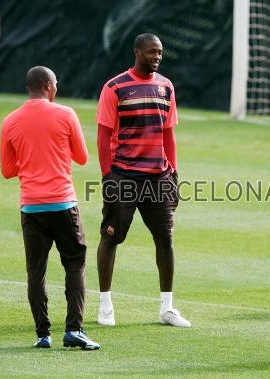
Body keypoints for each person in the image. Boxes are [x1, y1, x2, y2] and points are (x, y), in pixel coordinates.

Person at [0, 66, 100, 350]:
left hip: (31, 208)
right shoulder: (66, 114)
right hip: (63, 204)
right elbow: (81, 157)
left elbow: (7, 170)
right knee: (75, 264)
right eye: (55, 83)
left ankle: (43, 334)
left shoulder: (10, 121)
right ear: (47, 85)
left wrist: (31, 159)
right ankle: (74, 330)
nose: (57, 87)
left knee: (36, 272)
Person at [95, 33, 190, 328]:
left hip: (158, 177)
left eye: (160, 52)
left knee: (166, 240)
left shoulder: (166, 87)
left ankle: (167, 309)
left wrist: (173, 172)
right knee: (111, 238)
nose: (157, 57)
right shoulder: (115, 87)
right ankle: (105, 305)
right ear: (137, 52)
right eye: (151, 52)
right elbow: (103, 135)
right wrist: (107, 175)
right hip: (123, 175)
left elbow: (168, 133)